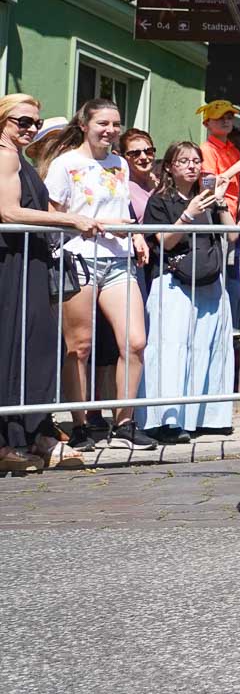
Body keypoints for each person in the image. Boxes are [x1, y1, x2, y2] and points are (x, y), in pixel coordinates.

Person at [40, 99, 154, 450]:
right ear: (85, 124)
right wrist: (96, 225)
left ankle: (125, 422)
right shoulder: (65, 164)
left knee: (135, 341)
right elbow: (51, 215)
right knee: (80, 346)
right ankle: (80, 424)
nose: (111, 130)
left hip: (118, 261)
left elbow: (123, 210)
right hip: (78, 258)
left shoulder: (119, 163)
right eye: (103, 123)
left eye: (116, 124)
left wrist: (134, 233)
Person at [0, 95, 94, 473]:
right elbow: (7, 210)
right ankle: (16, 439)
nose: (30, 129)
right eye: (22, 121)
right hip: (14, 261)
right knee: (22, 346)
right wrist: (69, 220)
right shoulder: (5, 155)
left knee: (34, 346)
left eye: (35, 123)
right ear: (4, 120)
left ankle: (35, 434)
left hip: (27, 260)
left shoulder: (17, 156)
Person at [138, 141, 235, 442]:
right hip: (174, 280)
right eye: (184, 161)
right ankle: (166, 418)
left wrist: (219, 203)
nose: (192, 166)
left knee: (208, 346)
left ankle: (207, 416)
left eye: (196, 160)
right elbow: (164, 242)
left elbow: (230, 235)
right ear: (169, 167)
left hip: (208, 279)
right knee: (172, 348)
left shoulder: (205, 199)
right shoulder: (160, 200)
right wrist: (188, 215)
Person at [195, 100, 240, 214]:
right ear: (206, 123)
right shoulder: (206, 149)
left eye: (229, 117)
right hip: (215, 211)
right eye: (219, 117)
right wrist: (237, 167)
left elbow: (237, 187)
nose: (225, 121)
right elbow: (207, 187)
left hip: (232, 213)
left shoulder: (234, 150)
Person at [118, 128, 159, 221]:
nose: (144, 157)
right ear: (124, 157)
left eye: (149, 151)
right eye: (135, 154)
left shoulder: (162, 186)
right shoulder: (121, 188)